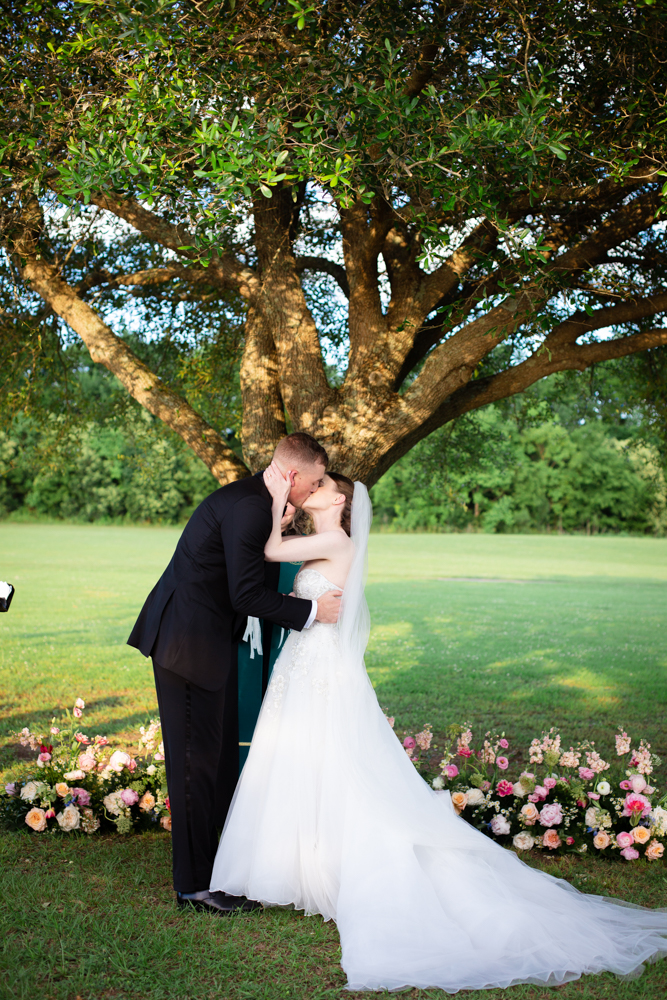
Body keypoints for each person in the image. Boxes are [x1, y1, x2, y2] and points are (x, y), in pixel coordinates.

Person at [211, 463, 667, 992]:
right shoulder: (324, 539)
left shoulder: (336, 540)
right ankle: (301, 864)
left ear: (339, 503)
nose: (313, 491)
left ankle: (332, 864)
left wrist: (272, 503)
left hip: (321, 669)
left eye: (322, 488)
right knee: (304, 756)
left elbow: (267, 553)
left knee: (333, 759)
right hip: (309, 661)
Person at [127, 433, 343, 916]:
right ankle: (194, 886)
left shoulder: (257, 504)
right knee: (193, 766)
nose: (311, 493)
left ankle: (222, 868)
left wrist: (279, 528)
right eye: (310, 483)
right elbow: (246, 596)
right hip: (187, 645)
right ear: (291, 476)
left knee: (219, 762)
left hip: (208, 643)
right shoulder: (248, 507)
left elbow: (250, 574)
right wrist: (311, 612)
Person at [237, 502, 303, 772]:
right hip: (243, 638)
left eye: (290, 506)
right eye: (280, 505)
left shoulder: (305, 545)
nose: (286, 511)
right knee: (243, 702)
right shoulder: (240, 538)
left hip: (288, 638)